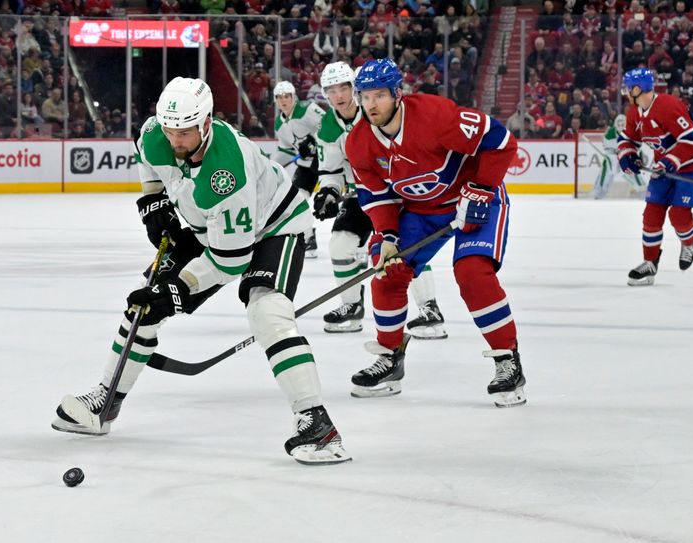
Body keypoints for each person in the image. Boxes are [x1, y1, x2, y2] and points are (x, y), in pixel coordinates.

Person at [52, 78, 351, 466]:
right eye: (170, 130)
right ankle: (105, 402)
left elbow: (231, 261)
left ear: (206, 122)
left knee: (267, 310)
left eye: (185, 131)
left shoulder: (226, 173)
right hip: (208, 226)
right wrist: (152, 197)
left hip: (275, 225)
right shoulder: (157, 133)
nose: (175, 140)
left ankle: (317, 424)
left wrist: (176, 292)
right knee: (145, 302)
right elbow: (148, 156)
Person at [344, 59, 525, 407]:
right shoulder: (359, 143)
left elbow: (502, 142)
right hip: (422, 212)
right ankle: (390, 358)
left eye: (379, 95)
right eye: (364, 96)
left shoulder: (435, 116)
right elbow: (377, 197)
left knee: (472, 273)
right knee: (387, 273)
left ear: (398, 93)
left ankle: (507, 361)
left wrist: (482, 188)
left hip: (473, 201)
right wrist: (388, 238)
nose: (370, 105)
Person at [314, 61, 448, 339]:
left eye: (344, 87)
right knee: (339, 245)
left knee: (407, 248)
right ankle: (351, 305)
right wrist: (328, 191)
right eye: (331, 90)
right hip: (360, 194)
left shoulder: (377, 112)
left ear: (355, 88)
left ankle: (429, 308)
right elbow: (330, 169)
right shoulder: (327, 126)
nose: (338, 95)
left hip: (395, 193)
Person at [618, 68, 693, 285]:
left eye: (628, 87)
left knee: (678, 216)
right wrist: (628, 156)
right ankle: (650, 263)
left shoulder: (668, 106)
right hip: (666, 167)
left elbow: (691, 141)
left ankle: (688, 243)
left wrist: (667, 162)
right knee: (651, 214)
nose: (625, 91)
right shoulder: (634, 112)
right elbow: (628, 140)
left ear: (637, 88)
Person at [271, 81, 325, 258]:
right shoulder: (279, 123)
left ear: (293, 97)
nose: (283, 100)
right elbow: (285, 150)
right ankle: (309, 238)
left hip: (326, 161)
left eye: (287, 96)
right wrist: (271, 165)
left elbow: (328, 123)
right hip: (306, 167)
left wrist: (313, 140)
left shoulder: (306, 108)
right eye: (279, 97)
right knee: (296, 199)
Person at [592, 114, 650, 199]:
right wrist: (615, 153)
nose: (620, 127)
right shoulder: (610, 134)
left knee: (633, 168)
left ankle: (642, 190)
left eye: (622, 124)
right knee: (608, 164)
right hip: (614, 158)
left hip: (627, 156)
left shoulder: (632, 131)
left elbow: (637, 148)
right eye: (619, 125)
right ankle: (599, 192)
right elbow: (608, 150)